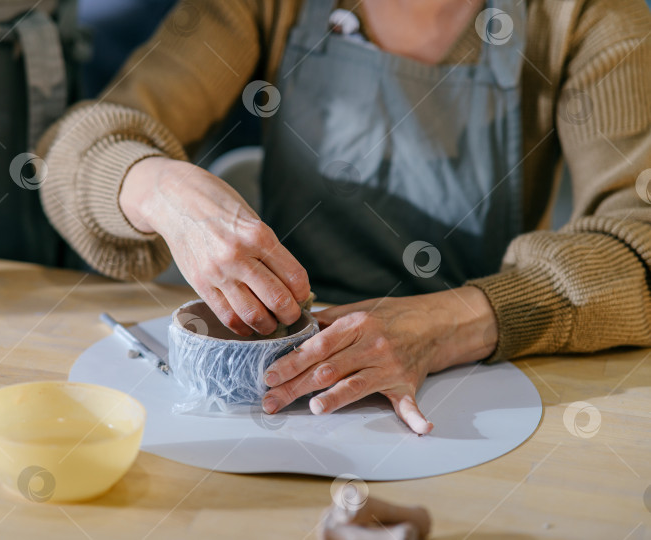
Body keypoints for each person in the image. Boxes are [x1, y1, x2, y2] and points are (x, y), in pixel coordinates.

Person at [37, 0, 651, 434]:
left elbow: (639, 240)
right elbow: (71, 149)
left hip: (472, 385)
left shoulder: (592, 17)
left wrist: (446, 325)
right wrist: (160, 189)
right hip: (286, 403)